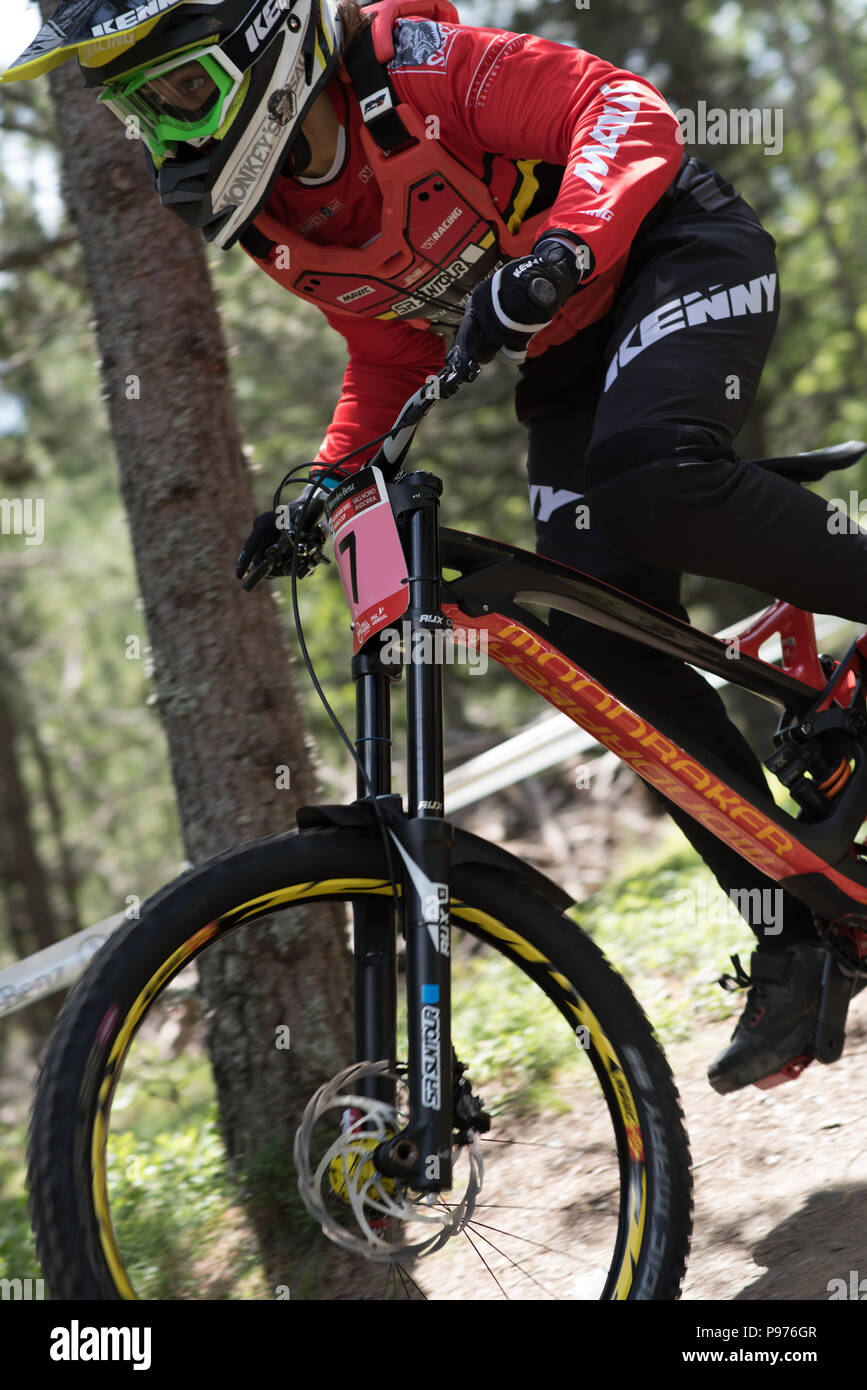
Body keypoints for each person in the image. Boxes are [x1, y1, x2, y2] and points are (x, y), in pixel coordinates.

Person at [6, 0, 866, 1094]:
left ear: (262, 38)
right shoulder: (280, 216)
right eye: (143, 112)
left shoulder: (408, 67)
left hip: (674, 248)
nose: (172, 136)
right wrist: (325, 481)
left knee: (647, 482)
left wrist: (564, 244)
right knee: (600, 639)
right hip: (563, 351)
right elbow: (388, 348)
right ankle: (796, 930)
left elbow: (624, 112)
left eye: (181, 91)